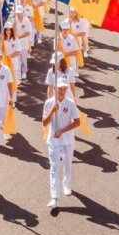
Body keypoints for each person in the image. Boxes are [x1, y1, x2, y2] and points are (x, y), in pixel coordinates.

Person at [43, 78, 81, 209]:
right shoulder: (49, 103)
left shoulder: (71, 103)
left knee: (67, 164)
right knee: (54, 167)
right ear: (55, 88)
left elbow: (77, 122)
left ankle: (67, 184)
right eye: (60, 88)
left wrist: (63, 131)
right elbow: (44, 122)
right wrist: (52, 111)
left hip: (68, 139)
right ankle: (54, 197)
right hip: (53, 140)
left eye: (65, 88)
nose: (62, 90)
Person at [14, 6, 32, 80]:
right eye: (17, 13)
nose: (18, 15)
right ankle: (18, 76)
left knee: (24, 59)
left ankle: (24, 71)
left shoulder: (27, 21)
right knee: (17, 60)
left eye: (20, 13)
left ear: (22, 13)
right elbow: (11, 32)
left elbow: (28, 32)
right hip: (16, 44)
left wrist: (19, 37)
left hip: (24, 44)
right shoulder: (14, 21)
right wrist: (14, 25)